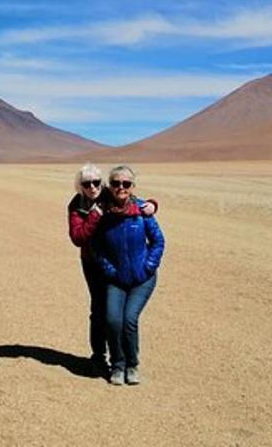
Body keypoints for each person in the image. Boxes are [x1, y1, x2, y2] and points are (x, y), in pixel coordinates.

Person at [67, 163, 157, 377]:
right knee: (100, 311)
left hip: (118, 262)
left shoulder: (111, 192)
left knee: (119, 316)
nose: (92, 187)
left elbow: (132, 202)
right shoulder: (77, 204)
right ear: (80, 186)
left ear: (102, 183)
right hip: (93, 262)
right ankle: (99, 357)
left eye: (96, 182)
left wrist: (152, 205)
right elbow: (78, 238)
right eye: (86, 183)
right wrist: (95, 215)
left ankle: (124, 361)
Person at [93, 165, 164, 386]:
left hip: (142, 279)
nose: (120, 187)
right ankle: (118, 365)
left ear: (133, 186)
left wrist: (148, 267)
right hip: (116, 279)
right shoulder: (103, 214)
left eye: (126, 184)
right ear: (110, 186)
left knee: (129, 320)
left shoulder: (143, 212)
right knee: (113, 320)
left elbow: (158, 241)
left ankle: (132, 365)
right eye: (115, 183)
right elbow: (97, 247)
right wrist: (110, 270)